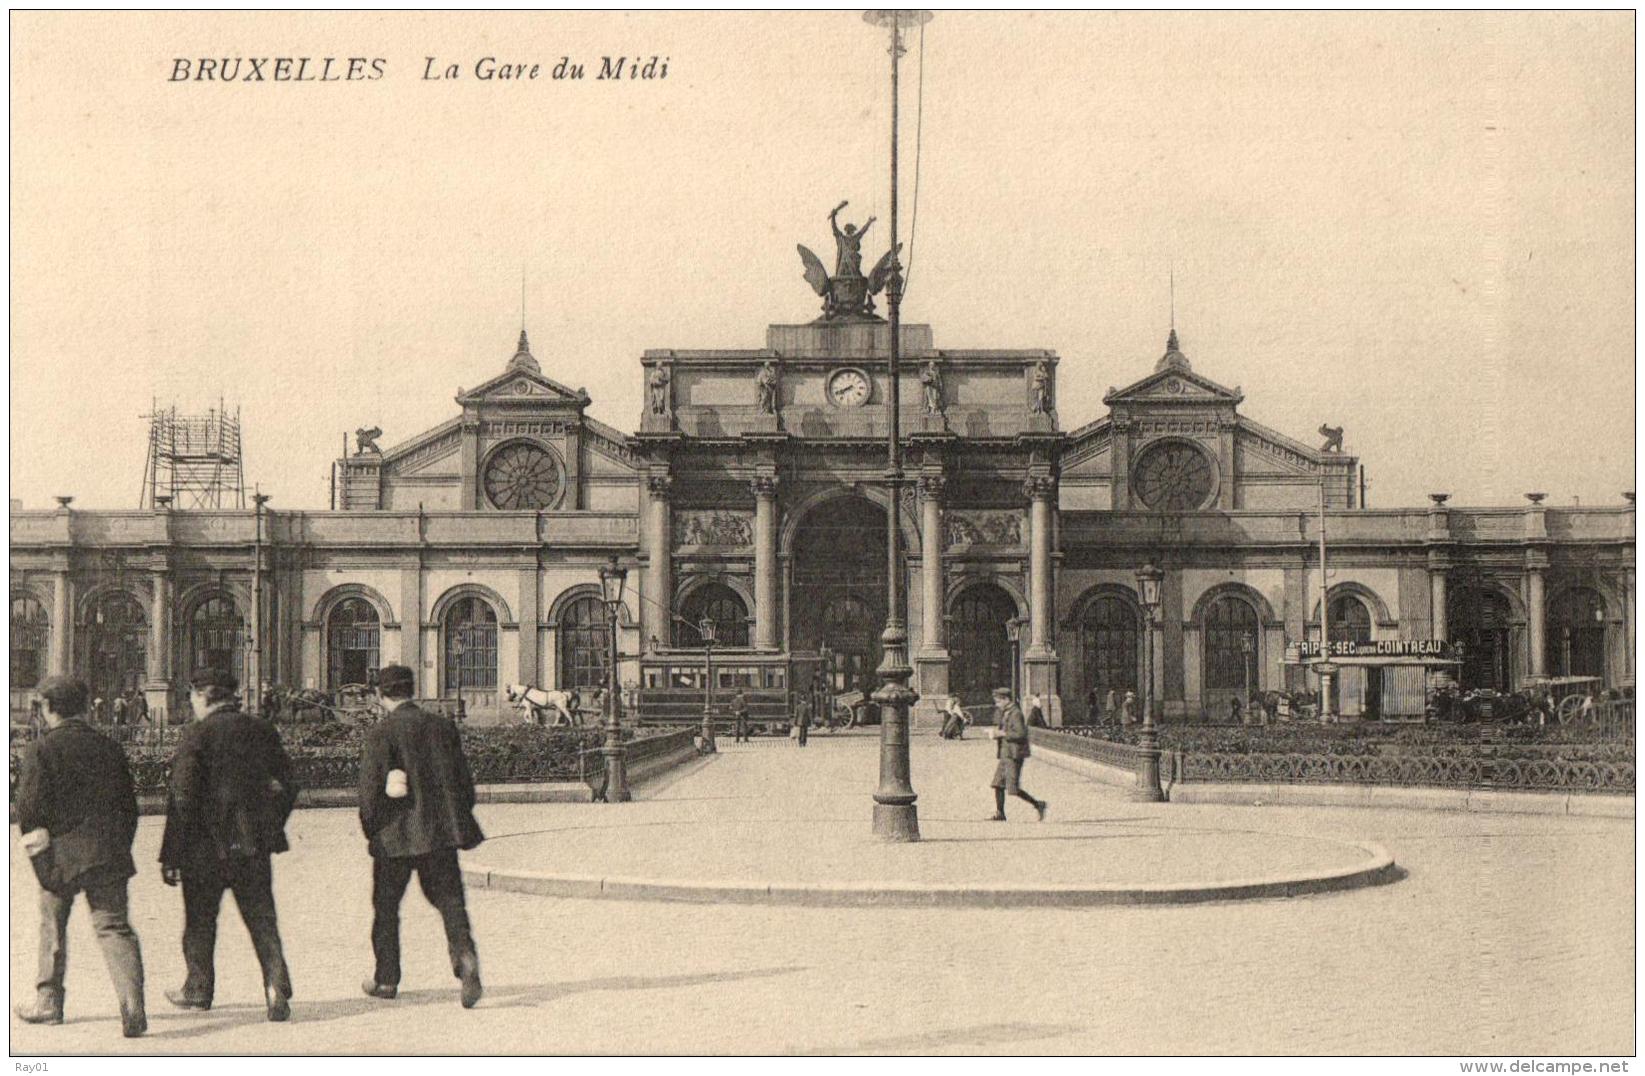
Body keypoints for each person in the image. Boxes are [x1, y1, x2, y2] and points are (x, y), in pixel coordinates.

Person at [159, 667, 297, 1022]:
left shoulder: (197, 735)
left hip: (205, 848)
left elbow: (183, 798)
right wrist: (270, 823)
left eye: (192, 696)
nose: (191, 703)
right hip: (252, 846)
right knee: (262, 917)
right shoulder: (260, 730)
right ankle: (275, 985)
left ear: (203, 696)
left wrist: (172, 853)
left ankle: (198, 989)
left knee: (200, 921)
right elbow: (289, 783)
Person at [14, 676, 147, 1037]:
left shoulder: (41, 749)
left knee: (52, 927)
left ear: (46, 708)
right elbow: (129, 809)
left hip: (60, 858)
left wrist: (42, 861)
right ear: (85, 707)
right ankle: (133, 1006)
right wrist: (118, 847)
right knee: (115, 928)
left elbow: (28, 811)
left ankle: (48, 1003)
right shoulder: (109, 746)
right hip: (106, 855)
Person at [359, 665, 484, 1008]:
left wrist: (373, 830)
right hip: (439, 836)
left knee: (386, 908)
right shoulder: (442, 727)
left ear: (380, 695)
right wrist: (453, 821)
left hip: (395, 838)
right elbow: (465, 786)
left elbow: (369, 794)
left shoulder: (381, 732)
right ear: (412, 690)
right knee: (450, 902)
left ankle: (386, 980)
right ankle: (466, 959)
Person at [987, 687, 1047, 822]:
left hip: (1014, 755)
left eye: (998, 701)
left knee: (1013, 788)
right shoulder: (1006, 712)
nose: (997, 704)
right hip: (1006, 754)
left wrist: (1001, 734)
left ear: (1005, 699)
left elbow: (1020, 734)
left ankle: (1038, 804)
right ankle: (1000, 813)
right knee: (997, 784)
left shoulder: (1016, 713)